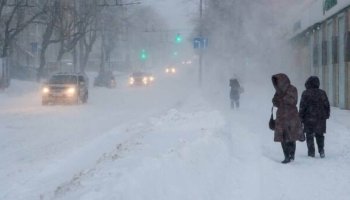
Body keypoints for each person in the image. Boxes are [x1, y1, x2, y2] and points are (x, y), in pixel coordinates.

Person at [271, 73, 303, 164]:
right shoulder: (278, 91)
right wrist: (278, 100)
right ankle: (286, 156)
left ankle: (291, 155)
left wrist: (281, 99)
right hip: (281, 116)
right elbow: (274, 101)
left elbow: (293, 100)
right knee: (283, 137)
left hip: (291, 116)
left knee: (291, 136)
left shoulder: (292, 89)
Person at [299, 76, 330, 158]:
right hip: (320, 118)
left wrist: (300, 118)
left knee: (309, 135)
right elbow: (327, 105)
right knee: (320, 135)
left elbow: (302, 107)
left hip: (309, 118)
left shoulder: (305, 93)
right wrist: (326, 115)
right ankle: (321, 150)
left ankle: (311, 152)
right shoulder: (322, 93)